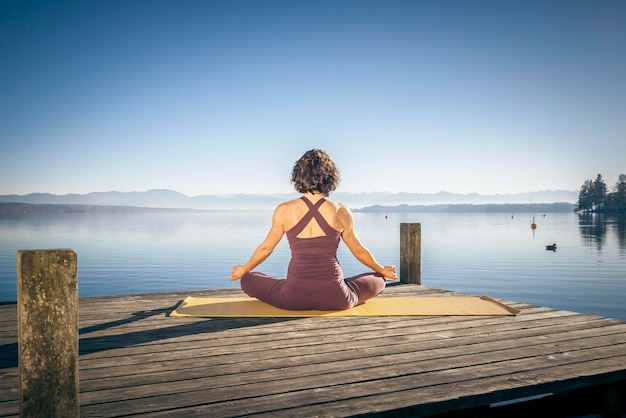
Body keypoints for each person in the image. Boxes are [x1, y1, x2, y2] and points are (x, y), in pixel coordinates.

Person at [230, 149, 398, 310]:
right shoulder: (341, 211)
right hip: (336, 298)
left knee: (248, 280)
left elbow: (267, 248)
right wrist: (381, 269)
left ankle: (293, 286)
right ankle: (344, 285)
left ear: (299, 176)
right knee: (378, 279)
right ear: (330, 177)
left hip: (292, 297)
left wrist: (244, 269)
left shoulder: (284, 210)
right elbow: (358, 251)